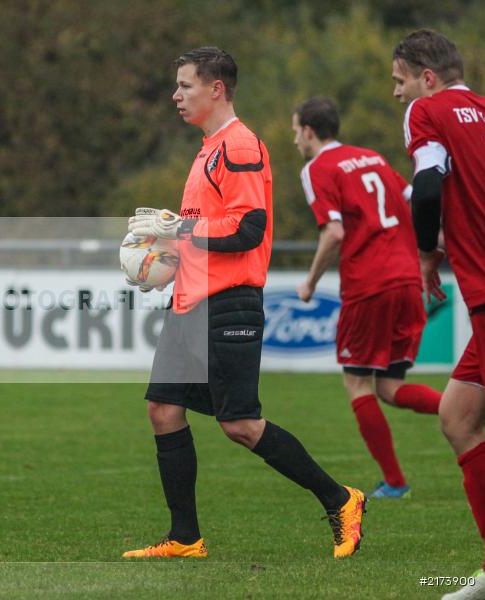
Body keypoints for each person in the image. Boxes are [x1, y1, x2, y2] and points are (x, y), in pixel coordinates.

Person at [122, 47, 365, 559]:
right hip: (192, 300)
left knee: (240, 425)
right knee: (163, 410)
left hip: (228, 303)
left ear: (216, 89)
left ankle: (341, 499)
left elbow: (248, 229)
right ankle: (185, 538)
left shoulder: (240, 146)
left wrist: (180, 228)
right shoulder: (208, 148)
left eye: (185, 85)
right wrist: (163, 263)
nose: (176, 95)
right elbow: (207, 231)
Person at [292, 96, 442, 499]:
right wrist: (438, 252)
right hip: (408, 279)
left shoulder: (317, 168)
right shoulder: (371, 158)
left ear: (308, 130)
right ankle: (464, 410)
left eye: (295, 132)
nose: (294, 141)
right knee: (389, 387)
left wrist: (308, 283)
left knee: (358, 383)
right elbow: (418, 203)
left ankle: (395, 482)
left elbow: (335, 233)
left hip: (368, 285)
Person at [392, 29, 485, 599]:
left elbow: (427, 185)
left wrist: (427, 250)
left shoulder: (430, 110)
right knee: (457, 415)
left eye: (399, 80)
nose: (398, 94)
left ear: (426, 78)